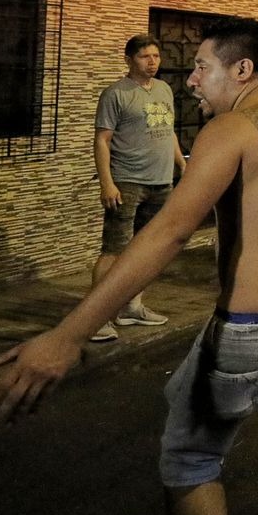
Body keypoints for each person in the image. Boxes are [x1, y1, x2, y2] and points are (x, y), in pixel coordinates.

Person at [0, 17, 258, 515]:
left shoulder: (232, 128)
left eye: (203, 67)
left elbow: (169, 232)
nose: (191, 79)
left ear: (242, 69)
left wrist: (68, 335)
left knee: (189, 459)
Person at [88, 34, 187, 342]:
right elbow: (102, 140)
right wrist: (107, 182)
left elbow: (168, 131)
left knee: (146, 251)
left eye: (156, 56)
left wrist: (182, 164)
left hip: (161, 182)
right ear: (129, 60)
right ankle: (94, 319)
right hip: (127, 182)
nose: (152, 62)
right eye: (145, 56)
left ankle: (131, 307)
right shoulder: (115, 94)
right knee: (114, 251)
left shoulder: (164, 89)